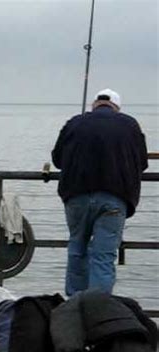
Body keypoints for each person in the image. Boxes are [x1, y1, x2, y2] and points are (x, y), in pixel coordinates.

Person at [52, 88, 148, 296]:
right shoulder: (130, 125)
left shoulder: (74, 122)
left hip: (76, 197)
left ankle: (74, 308)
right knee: (103, 256)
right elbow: (142, 162)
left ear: (95, 104)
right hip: (114, 198)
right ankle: (99, 312)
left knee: (77, 249)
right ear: (116, 107)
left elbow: (57, 159)